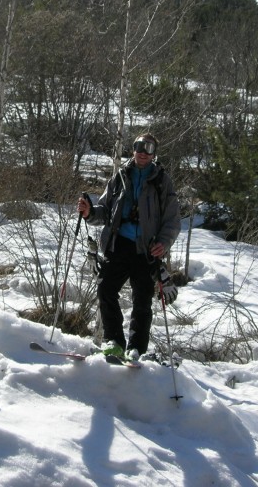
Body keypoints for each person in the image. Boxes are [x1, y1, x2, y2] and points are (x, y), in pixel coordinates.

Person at [77, 133, 180, 360]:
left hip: (146, 248)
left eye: (149, 148)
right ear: (132, 149)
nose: (143, 151)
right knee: (106, 289)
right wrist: (90, 212)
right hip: (118, 243)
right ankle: (113, 341)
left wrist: (163, 243)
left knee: (142, 299)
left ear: (154, 153)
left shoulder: (162, 181)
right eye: (138, 146)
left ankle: (136, 348)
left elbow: (172, 220)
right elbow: (105, 210)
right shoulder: (120, 176)